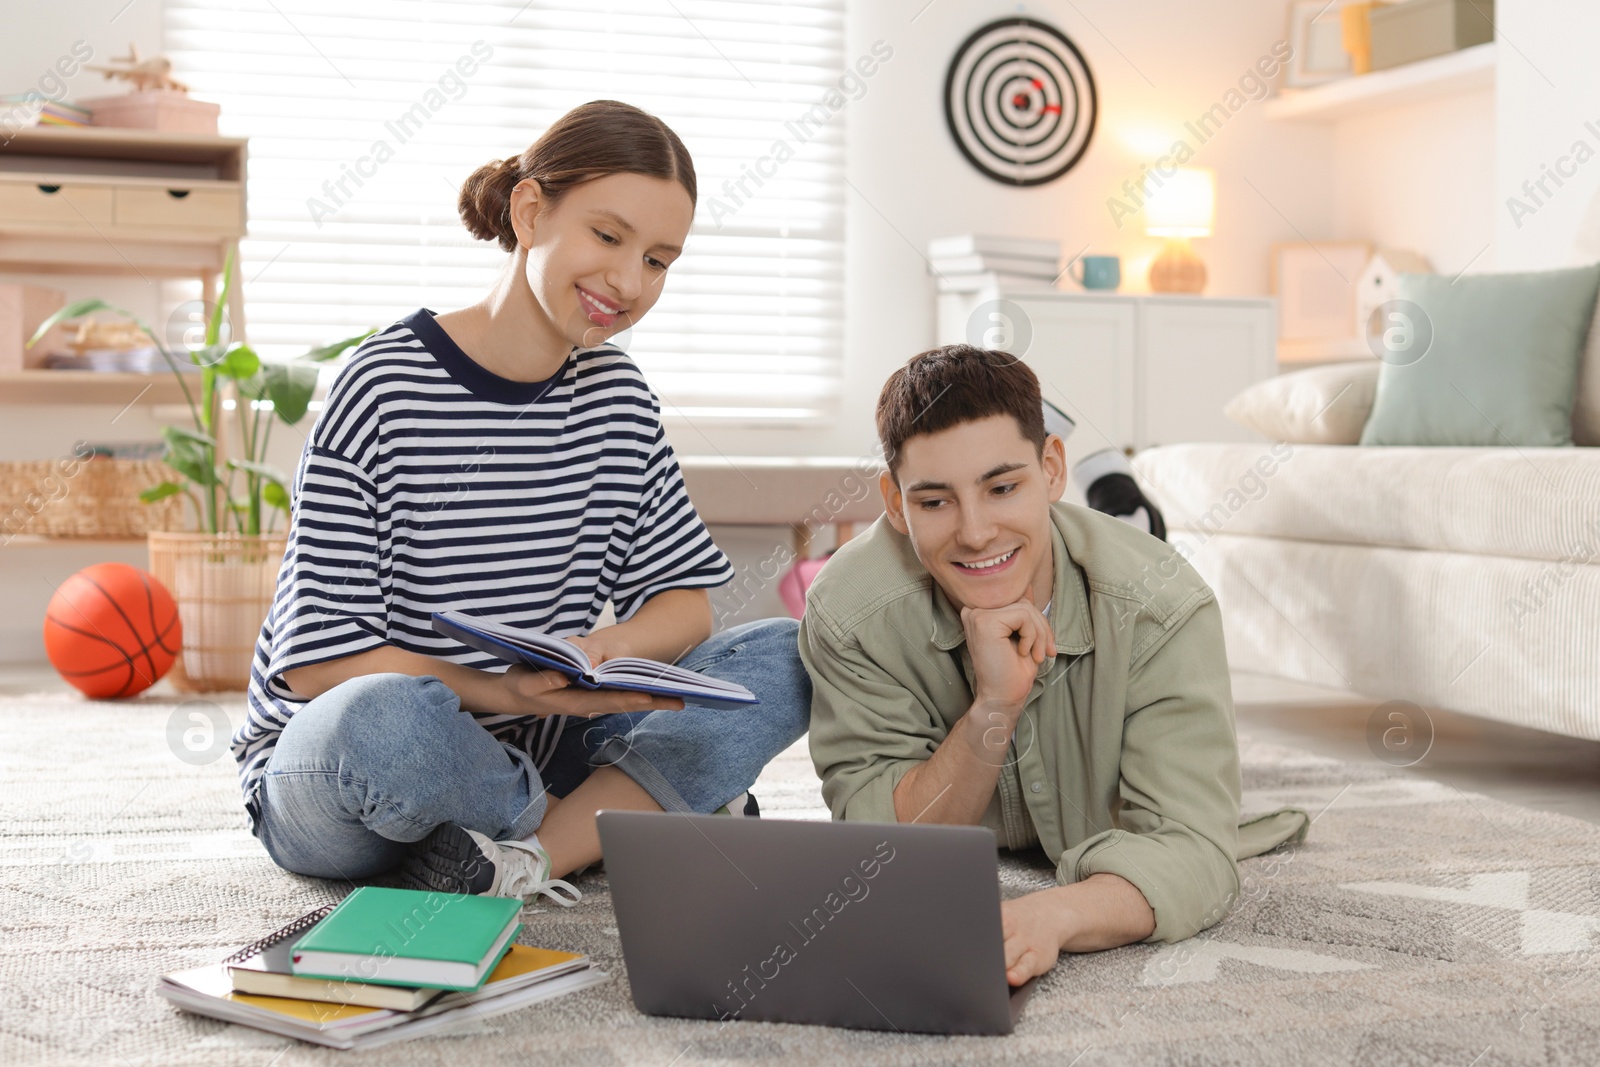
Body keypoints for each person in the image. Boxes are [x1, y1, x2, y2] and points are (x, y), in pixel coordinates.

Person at [232, 100, 810, 907]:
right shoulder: (381, 386)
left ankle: (520, 855)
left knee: (785, 652)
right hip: (345, 768)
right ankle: (623, 821)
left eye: (658, 260)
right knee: (387, 721)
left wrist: (598, 651)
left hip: (542, 742)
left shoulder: (618, 399)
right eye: (608, 237)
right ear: (531, 211)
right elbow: (318, 660)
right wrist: (506, 691)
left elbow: (684, 605)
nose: (628, 281)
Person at [800, 345, 1308, 986]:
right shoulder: (851, 613)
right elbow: (880, 847)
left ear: (1052, 469)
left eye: (1003, 488)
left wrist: (1055, 916)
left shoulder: (1162, 605)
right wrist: (993, 708)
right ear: (896, 504)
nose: (976, 532)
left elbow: (1198, 856)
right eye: (934, 502)